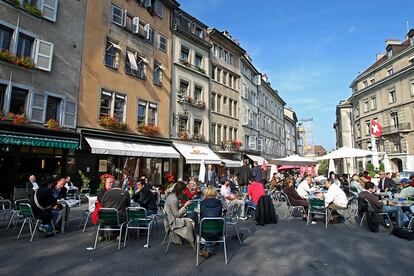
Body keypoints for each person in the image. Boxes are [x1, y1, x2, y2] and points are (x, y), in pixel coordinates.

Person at [164, 181, 195, 248]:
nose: (184, 192)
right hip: (173, 221)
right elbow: (177, 215)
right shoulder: (173, 199)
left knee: (193, 215)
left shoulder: (172, 196)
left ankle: (194, 238)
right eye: (183, 191)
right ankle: (193, 239)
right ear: (180, 190)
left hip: (170, 218)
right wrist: (185, 206)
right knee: (193, 217)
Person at [198, 186, 223, 258]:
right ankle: (208, 250)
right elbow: (219, 214)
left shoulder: (202, 203)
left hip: (205, 231)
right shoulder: (219, 203)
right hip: (218, 230)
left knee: (203, 224)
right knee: (211, 223)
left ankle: (206, 250)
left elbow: (202, 214)